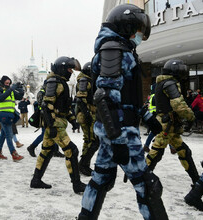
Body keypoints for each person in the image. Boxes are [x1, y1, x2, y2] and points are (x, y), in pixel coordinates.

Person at [78, 4, 169, 219]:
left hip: (117, 131)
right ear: (126, 25)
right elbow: (106, 98)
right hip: (121, 133)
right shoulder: (113, 49)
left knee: (101, 179)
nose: (139, 34)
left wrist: (148, 118)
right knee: (148, 186)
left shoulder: (121, 48)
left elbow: (128, 98)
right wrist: (118, 140)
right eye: (137, 28)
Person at [30, 56, 86, 194]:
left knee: (47, 151)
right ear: (62, 68)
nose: (71, 72)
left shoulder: (60, 82)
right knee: (72, 151)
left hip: (57, 122)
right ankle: (77, 184)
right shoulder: (54, 82)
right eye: (69, 69)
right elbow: (46, 105)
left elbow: (64, 107)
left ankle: (36, 180)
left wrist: (73, 120)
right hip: (55, 124)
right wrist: (52, 126)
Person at [145, 59, 199, 185]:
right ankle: (142, 179)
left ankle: (196, 181)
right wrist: (191, 117)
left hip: (169, 125)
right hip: (166, 126)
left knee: (184, 151)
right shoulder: (170, 83)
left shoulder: (162, 82)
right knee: (156, 153)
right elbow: (179, 105)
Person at [27, 83, 65, 158]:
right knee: (45, 134)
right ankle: (32, 147)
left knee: (54, 132)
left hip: (50, 115)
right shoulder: (42, 93)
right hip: (45, 116)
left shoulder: (47, 92)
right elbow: (43, 105)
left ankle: (55, 150)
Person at [75, 62, 99, 176]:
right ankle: (83, 165)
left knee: (89, 140)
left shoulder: (86, 80)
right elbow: (80, 99)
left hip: (89, 113)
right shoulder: (85, 81)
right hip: (87, 114)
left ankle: (84, 164)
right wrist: (88, 114)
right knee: (93, 141)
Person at [0, 75, 24, 161]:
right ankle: (14, 154)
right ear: (2, 82)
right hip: (3, 115)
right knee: (9, 135)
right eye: (6, 83)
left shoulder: (10, 90)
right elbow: (0, 98)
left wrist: (20, 89)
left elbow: (19, 97)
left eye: (9, 83)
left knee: (3, 134)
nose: (8, 84)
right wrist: (11, 89)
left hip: (10, 115)